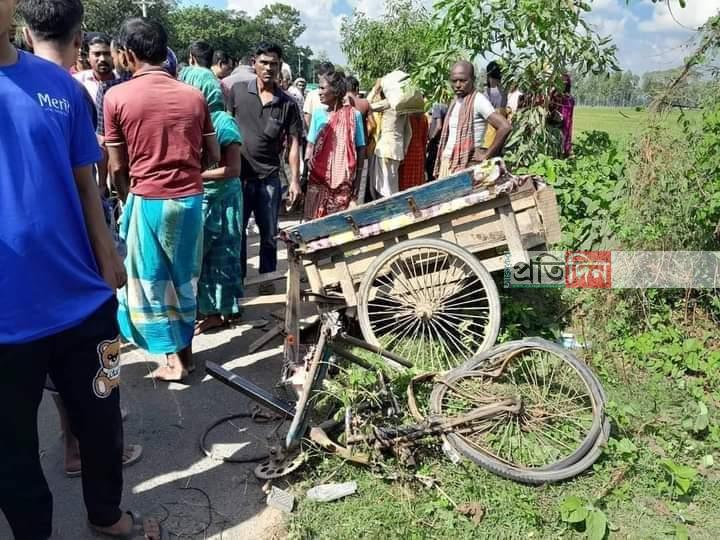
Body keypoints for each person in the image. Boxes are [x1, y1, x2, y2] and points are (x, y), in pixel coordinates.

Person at [0, 0, 162, 537]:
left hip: (83, 301)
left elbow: (85, 181)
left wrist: (108, 254)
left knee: (102, 415)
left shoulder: (59, 86)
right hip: (6, 320)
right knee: (11, 450)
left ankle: (106, 515)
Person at [21, 0, 142, 478]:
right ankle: (83, 447)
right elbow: (88, 181)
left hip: (26, 268)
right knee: (87, 365)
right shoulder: (70, 92)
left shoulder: (38, 86)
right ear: (79, 41)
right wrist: (106, 251)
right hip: (73, 256)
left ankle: (74, 444)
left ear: (26, 33)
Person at [104, 17, 220, 381]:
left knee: (153, 284)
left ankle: (174, 362)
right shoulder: (194, 95)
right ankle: (186, 356)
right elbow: (213, 155)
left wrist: (127, 198)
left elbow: (118, 167)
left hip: (148, 200)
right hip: (190, 201)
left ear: (127, 54)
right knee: (184, 280)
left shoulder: (117, 97)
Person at [227, 41, 302, 282]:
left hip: (269, 177)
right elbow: (225, 128)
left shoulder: (287, 103)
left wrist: (295, 180)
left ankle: (267, 280)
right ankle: (238, 281)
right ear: (254, 63)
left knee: (269, 234)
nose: (269, 68)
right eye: (264, 63)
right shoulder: (237, 92)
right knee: (237, 232)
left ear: (280, 66)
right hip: (239, 177)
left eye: (274, 64)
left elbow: (294, 144)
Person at [179, 65, 245, 334]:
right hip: (203, 196)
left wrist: (196, 174)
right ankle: (208, 308)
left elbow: (233, 169)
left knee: (222, 257)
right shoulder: (196, 120)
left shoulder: (223, 122)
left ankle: (221, 312)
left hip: (224, 199)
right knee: (202, 259)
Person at [304, 71, 366, 219]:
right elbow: (310, 144)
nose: (319, 92)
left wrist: (357, 182)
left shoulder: (354, 115)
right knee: (314, 222)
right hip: (317, 179)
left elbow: (361, 148)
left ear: (336, 91)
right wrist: (305, 170)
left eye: (322, 88)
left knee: (338, 224)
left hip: (342, 182)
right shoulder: (318, 114)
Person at [434, 61, 512, 178]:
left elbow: (505, 126)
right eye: (454, 81)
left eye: (463, 80)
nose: (458, 85)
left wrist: (486, 155)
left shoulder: (478, 100)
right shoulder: (456, 101)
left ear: (473, 79)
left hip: (466, 165)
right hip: (449, 162)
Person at [371, 85, 412, 198]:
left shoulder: (388, 102)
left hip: (384, 149)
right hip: (397, 151)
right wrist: (404, 150)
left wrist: (374, 90)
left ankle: (386, 207)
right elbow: (409, 133)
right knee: (393, 185)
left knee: (383, 186)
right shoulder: (403, 107)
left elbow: (368, 105)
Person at [74, 32, 115, 100]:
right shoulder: (77, 82)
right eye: (97, 54)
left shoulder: (123, 81)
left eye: (107, 54)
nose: (102, 59)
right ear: (88, 57)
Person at [398, 111, 429, 190]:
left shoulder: (407, 117)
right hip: (420, 152)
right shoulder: (424, 118)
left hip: (408, 152)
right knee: (417, 178)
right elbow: (425, 139)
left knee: (405, 178)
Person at [303, 60, 333, 127]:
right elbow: (307, 118)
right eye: (322, 74)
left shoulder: (336, 95)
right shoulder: (311, 95)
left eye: (328, 74)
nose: (324, 77)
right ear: (318, 75)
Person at [552, 73, 575, 157]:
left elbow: (567, 116)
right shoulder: (553, 95)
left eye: (565, 84)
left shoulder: (568, 98)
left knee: (563, 136)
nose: (562, 86)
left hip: (564, 124)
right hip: (554, 123)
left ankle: (564, 151)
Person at [425, 102, 448, 180]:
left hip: (435, 142)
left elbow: (438, 126)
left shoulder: (436, 107)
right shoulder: (445, 107)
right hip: (441, 142)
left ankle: (431, 181)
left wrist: (431, 138)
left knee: (430, 164)